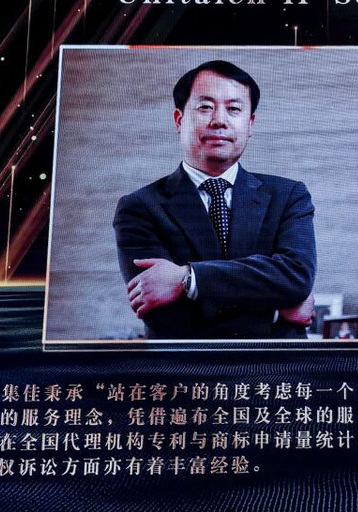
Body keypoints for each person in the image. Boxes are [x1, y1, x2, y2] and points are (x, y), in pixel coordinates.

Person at [113, 60, 316, 339]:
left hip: (276, 364)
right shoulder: (139, 207)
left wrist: (186, 278)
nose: (219, 120)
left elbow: (296, 276)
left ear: (250, 124)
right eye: (205, 107)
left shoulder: (288, 196)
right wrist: (275, 312)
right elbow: (164, 316)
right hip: (188, 365)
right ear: (179, 120)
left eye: (234, 109)